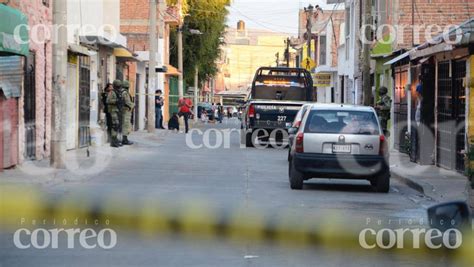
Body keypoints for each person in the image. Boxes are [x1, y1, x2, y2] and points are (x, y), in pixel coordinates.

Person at [106, 80, 123, 147]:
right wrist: (116, 101)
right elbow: (108, 101)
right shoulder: (112, 92)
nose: (119, 87)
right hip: (113, 110)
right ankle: (113, 141)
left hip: (117, 110)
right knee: (115, 125)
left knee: (117, 125)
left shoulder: (118, 92)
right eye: (118, 86)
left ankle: (115, 139)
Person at [120, 80, 135, 145]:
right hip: (126, 110)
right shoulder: (125, 93)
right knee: (126, 125)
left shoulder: (121, 91)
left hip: (124, 110)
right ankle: (124, 139)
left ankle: (124, 138)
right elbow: (127, 102)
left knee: (125, 124)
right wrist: (133, 105)